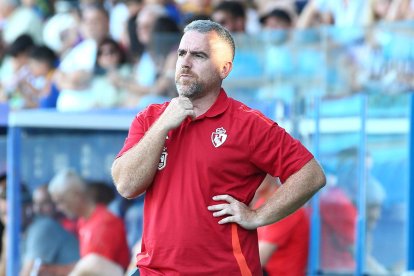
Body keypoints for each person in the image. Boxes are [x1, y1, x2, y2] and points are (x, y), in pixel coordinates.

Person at [111, 19, 326, 274]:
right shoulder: (150, 118)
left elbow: (311, 175)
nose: (186, 63)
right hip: (153, 270)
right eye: (182, 53)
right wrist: (162, 126)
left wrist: (258, 216)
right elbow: (126, 185)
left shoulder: (248, 124)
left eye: (199, 55)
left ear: (224, 68)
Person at [48, 169, 130, 273]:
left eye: (61, 201)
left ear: (76, 195)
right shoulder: (83, 220)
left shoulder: (104, 223)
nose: (59, 208)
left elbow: (97, 272)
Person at [254, 175, 310, 276]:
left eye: (255, 173)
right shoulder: (261, 203)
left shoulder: (285, 205)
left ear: (271, 173)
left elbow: (257, 260)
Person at [20, 184, 79, 276]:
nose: (37, 209)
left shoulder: (45, 226)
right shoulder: (35, 227)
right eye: (35, 203)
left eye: (45, 203)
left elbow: (28, 273)